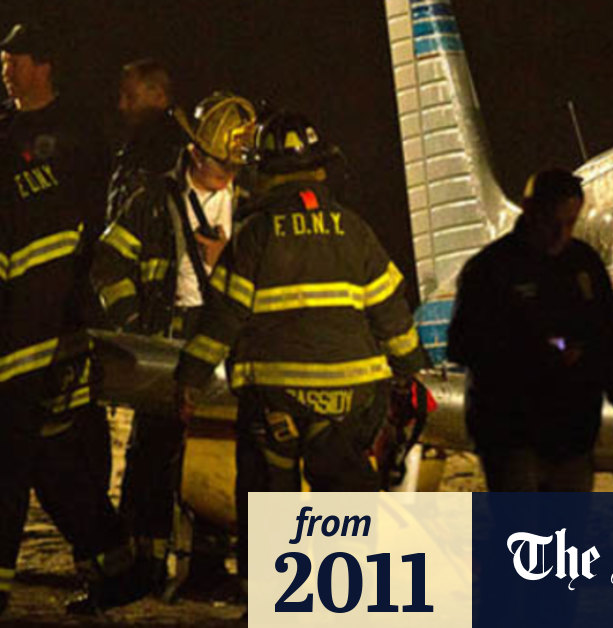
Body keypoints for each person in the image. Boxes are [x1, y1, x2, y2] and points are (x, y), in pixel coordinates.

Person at [173, 110, 428, 583]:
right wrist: (413, 371)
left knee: (269, 499)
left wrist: (189, 379)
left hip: (277, 400)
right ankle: (345, 594)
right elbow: (393, 316)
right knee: (346, 501)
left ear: (265, 171)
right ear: (320, 168)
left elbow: (222, 320)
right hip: (351, 399)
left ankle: (275, 595)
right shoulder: (355, 230)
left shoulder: (255, 235)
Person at [0, 22, 147, 615]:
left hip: (50, 327)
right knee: (50, 461)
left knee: (14, 458)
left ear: (44, 66)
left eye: (15, 61)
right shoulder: (6, 133)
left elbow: (90, 229)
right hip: (20, 325)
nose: (5, 71)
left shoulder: (79, 133)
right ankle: (118, 566)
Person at [90, 91, 255, 591]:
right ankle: (143, 563)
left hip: (226, 335)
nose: (228, 174)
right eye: (221, 164)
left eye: (235, 165)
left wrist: (226, 259)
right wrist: (134, 324)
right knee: (153, 453)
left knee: (221, 449)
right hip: (168, 334)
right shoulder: (153, 200)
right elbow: (109, 263)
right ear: (195, 151)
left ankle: (207, 568)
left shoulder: (252, 205)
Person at [446, 168, 613, 491]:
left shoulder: (584, 265)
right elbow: (461, 346)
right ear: (529, 210)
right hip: (512, 438)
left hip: (572, 438)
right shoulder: (489, 269)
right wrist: (537, 352)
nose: (560, 234)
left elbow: (609, 343)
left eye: (570, 224)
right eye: (550, 222)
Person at [107, 58, 186, 222]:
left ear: (159, 96)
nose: (122, 105)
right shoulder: (135, 144)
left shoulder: (170, 151)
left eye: (131, 97)